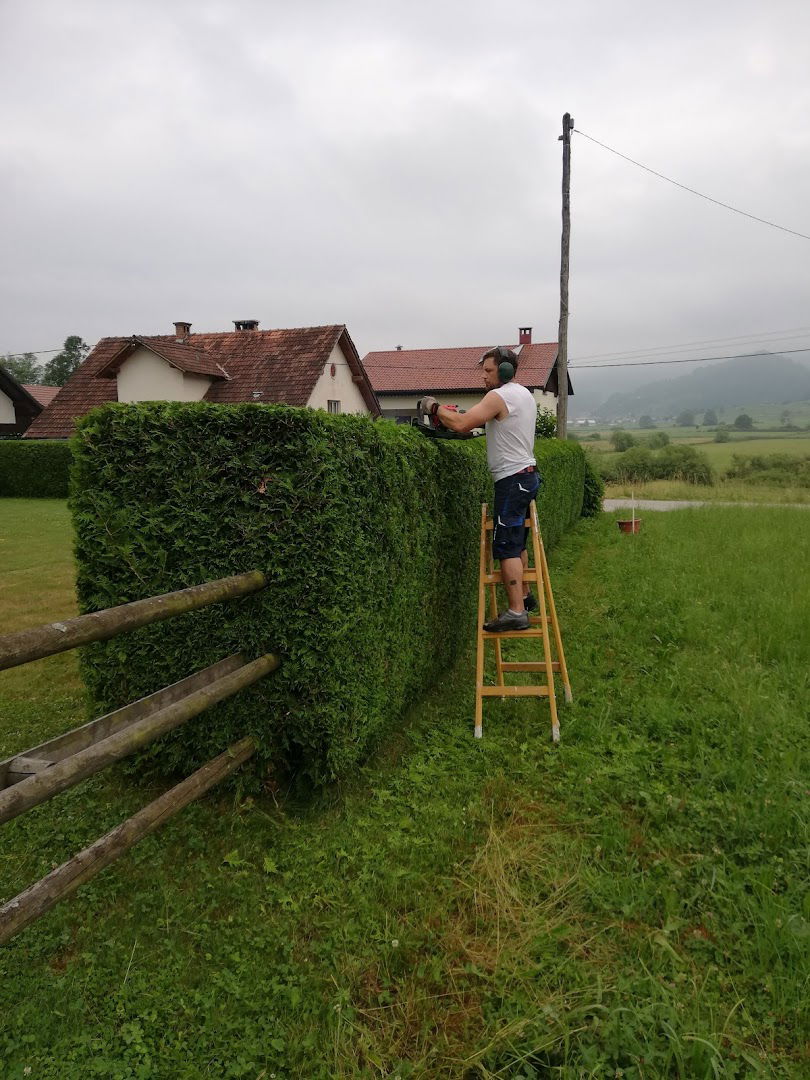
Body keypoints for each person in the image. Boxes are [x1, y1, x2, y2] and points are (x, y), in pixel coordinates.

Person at [418, 346, 539, 631]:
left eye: (488, 370)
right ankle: (524, 595)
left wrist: (433, 407)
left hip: (511, 480)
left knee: (506, 545)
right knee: (518, 541)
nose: (483, 377)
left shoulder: (499, 396)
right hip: (527, 476)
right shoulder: (524, 394)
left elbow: (461, 424)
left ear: (505, 371)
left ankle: (516, 612)